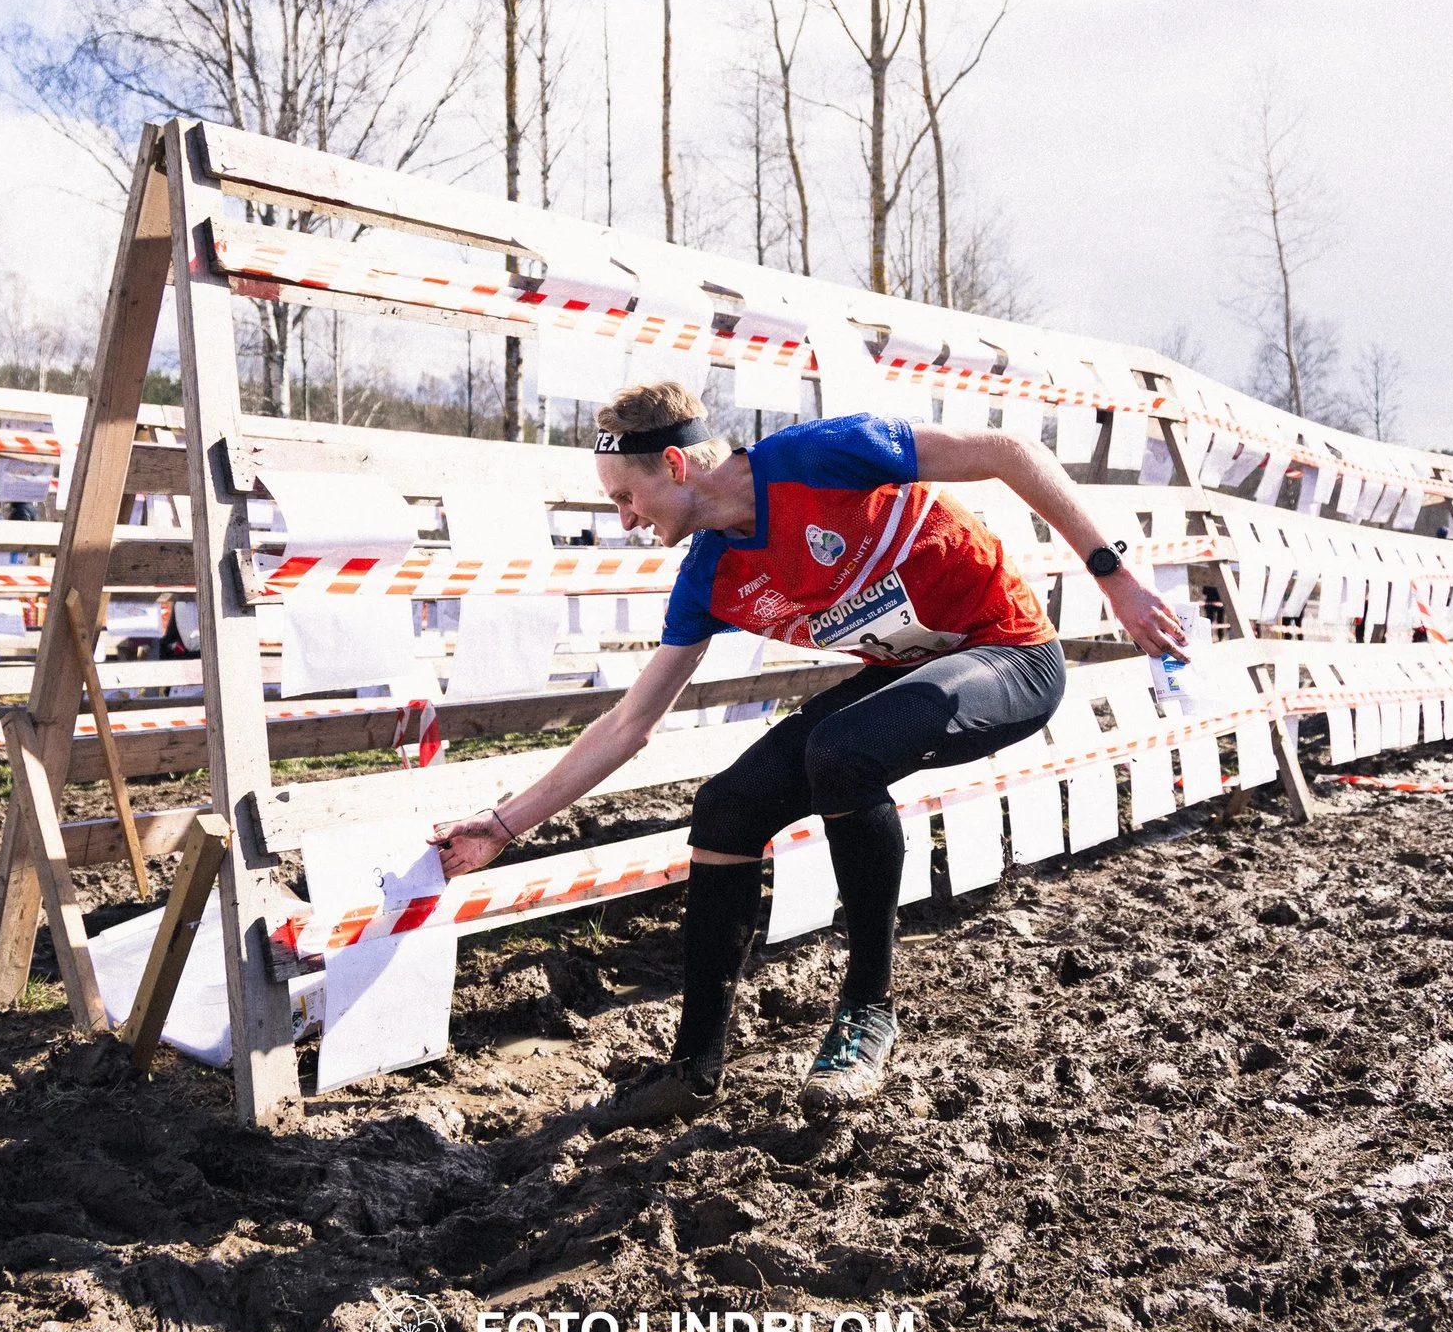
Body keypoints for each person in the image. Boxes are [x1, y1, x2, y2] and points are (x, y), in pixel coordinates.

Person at [427, 382, 1186, 1125]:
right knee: (726, 806)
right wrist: (503, 823)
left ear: (676, 466)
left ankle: (868, 1012)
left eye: (626, 496)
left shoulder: (818, 457)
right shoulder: (708, 577)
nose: (623, 520)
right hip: (904, 675)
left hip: (1009, 654)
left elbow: (1008, 451)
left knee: (840, 751)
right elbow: (629, 723)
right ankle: (694, 1067)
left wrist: (1113, 576)